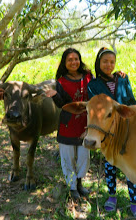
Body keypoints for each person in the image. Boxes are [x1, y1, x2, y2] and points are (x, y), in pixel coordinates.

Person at [87, 47, 136, 220]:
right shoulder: (93, 85)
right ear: (99, 63)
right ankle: (112, 195)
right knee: (110, 164)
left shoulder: (123, 79)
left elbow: (131, 101)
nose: (109, 65)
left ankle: (134, 202)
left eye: (112, 62)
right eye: (105, 61)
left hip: (126, 130)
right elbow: (96, 107)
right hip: (107, 131)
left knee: (130, 167)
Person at [45, 48, 93, 201]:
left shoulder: (88, 77)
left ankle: (79, 183)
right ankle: (72, 187)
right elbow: (63, 105)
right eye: (70, 60)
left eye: (76, 59)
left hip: (86, 125)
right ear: (64, 63)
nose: (73, 62)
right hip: (67, 126)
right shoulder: (61, 82)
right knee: (68, 158)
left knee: (84, 157)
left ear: (80, 60)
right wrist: (55, 96)